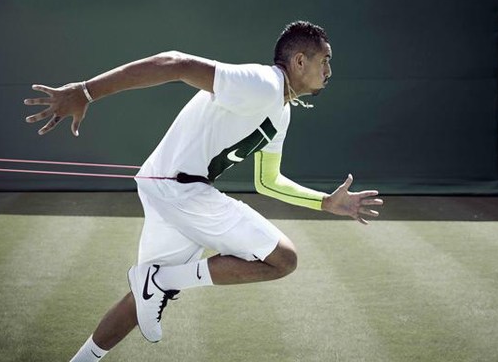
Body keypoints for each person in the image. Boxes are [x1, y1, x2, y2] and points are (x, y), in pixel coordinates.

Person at [24, 21, 383, 361]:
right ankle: (161, 280)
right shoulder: (262, 83)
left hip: (167, 190)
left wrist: (325, 202)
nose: (329, 71)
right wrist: (86, 91)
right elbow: (175, 63)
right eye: (325, 60)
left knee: (141, 300)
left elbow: (267, 181)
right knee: (283, 259)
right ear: (300, 61)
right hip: (182, 189)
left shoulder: (281, 111)